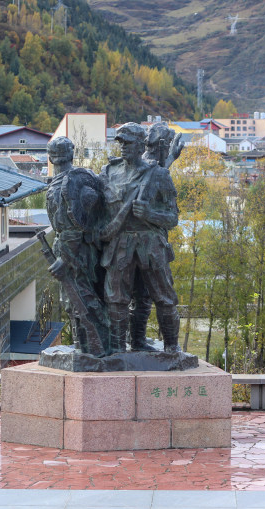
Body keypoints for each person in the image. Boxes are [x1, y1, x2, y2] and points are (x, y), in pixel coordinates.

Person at [99, 123, 182, 354]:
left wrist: (150, 214)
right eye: (121, 142)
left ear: (140, 145)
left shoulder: (158, 175)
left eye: (128, 142)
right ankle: (117, 349)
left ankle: (172, 348)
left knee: (164, 298)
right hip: (120, 245)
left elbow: (173, 218)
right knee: (116, 300)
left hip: (151, 245)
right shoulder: (109, 173)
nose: (123, 147)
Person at [45, 136, 108, 354]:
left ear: (51, 158)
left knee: (78, 299)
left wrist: (65, 258)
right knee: (78, 298)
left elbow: (70, 227)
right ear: (71, 154)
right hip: (86, 249)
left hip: (75, 253)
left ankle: (90, 347)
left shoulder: (62, 187)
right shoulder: (85, 178)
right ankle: (87, 345)